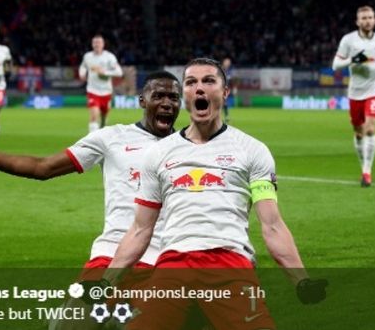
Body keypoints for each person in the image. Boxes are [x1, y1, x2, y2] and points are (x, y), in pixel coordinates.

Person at [105, 58, 327, 329]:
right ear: (185, 94)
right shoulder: (158, 155)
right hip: (172, 266)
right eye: (191, 82)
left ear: (224, 92)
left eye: (208, 81)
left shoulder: (252, 150)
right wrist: (106, 282)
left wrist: (300, 279)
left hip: (229, 265)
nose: (199, 88)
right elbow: (140, 230)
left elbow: (272, 225)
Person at [0, 71, 181, 271]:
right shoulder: (112, 138)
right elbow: (43, 167)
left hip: (167, 258)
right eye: (158, 96)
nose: (166, 103)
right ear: (142, 100)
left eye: (173, 98)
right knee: (73, 322)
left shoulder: (190, 147)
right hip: (113, 251)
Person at [332, 6, 375, 187]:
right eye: (363, 18)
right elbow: (336, 64)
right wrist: (352, 60)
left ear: (374, 20)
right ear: (358, 21)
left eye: (370, 17)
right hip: (355, 92)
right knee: (359, 133)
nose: (367, 21)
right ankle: (363, 166)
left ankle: (367, 172)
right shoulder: (348, 40)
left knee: (370, 129)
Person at [78, 34, 124, 132]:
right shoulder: (87, 56)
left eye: (99, 42)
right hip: (92, 90)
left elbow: (119, 72)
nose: (96, 44)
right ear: (92, 44)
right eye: (95, 42)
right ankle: (92, 141)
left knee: (103, 119)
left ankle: (101, 132)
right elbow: (83, 66)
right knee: (94, 115)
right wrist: (82, 74)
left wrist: (104, 72)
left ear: (103, 44)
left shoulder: (109, 57)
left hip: (106, 91)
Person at [221, 57, 235, 122]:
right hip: (219, 88)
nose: (228, 63)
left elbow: (231, 81)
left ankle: (226, 116)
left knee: (224, 103)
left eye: (229, 62)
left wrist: (234, 88)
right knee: (222, 103)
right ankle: (225, 116)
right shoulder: (220, 70)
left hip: (225, 89)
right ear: (224, 62)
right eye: (227, 62)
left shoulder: (229, 71)